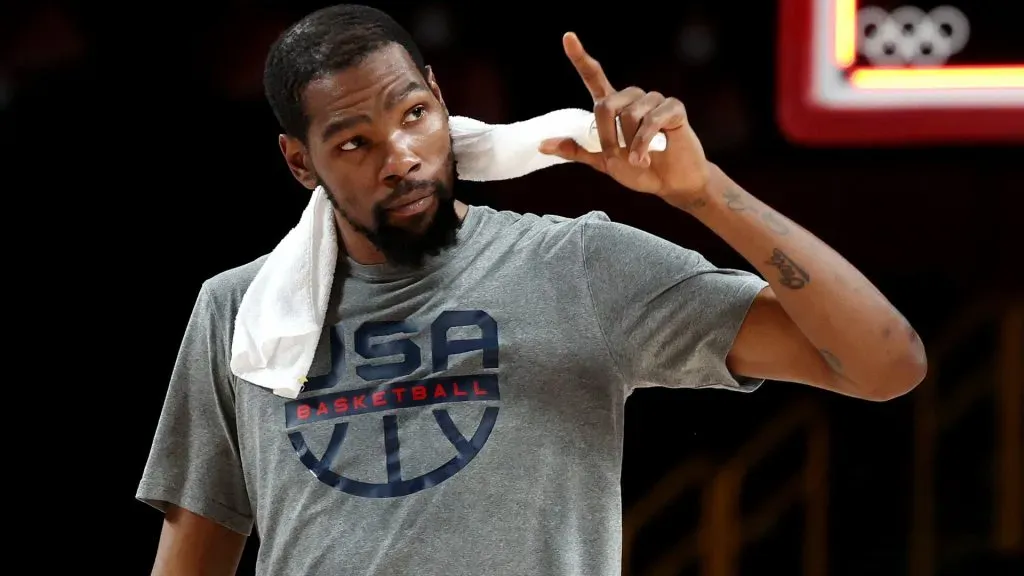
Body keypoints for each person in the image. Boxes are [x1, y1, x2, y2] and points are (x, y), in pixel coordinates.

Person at [137, 4, 927, 575]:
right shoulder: (240, 313)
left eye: (415, 114)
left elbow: (886, 366)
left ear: (442, 100)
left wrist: (704, 194)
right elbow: (193, 559)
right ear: (299, 161)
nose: (403, 155)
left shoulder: (575, 265)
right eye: (355, 142)